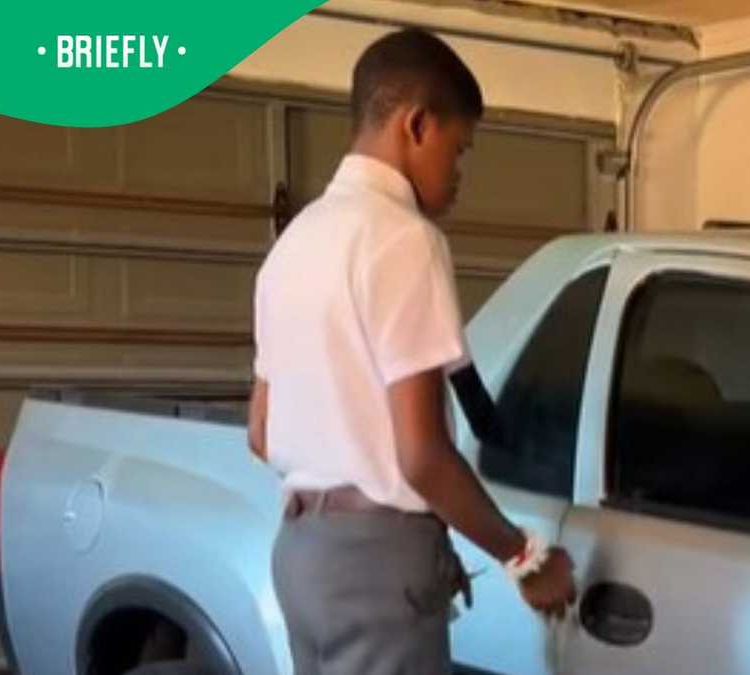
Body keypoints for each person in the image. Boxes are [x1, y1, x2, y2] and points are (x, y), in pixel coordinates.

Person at [246, 28, 577, 675]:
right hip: (376, 567)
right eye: (459, 149)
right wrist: (524, 557)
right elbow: (422, 455)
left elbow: (261, 431)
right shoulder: (403, 238)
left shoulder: (293, 244)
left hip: (300, 556)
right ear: (417, 125)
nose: (458, 174)